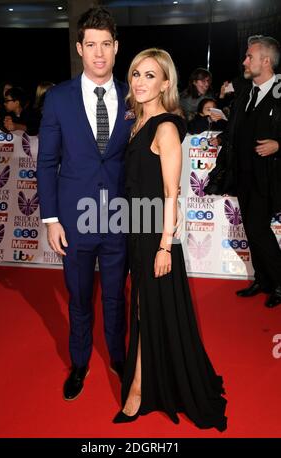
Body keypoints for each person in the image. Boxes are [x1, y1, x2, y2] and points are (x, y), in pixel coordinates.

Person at [113, 48, 227, 431]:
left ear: (166, 83)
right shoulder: (135, 123)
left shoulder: (165, 126)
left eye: (150, 76)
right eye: (136, 74)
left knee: (150, 309)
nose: (141, 82)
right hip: (136, 229)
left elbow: (170, 191)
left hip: (155, 237)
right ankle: (149, 383)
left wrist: (165, 245)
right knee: (146, 309)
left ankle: (139, 390)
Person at [37, 7, 134, 400]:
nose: (98, 53)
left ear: (116, 48)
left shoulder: (134, 94)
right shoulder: (59, 98)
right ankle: (79, 362)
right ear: (80, 48)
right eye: (90, 45)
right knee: (78, 297)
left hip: (119, 216)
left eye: (105, 45)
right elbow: (46, 162)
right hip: (73, 220)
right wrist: (51, 218)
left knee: (116, 295)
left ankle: (118, 357)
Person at [205, 35, 281, 308]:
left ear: (266, 61)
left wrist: (278, 144)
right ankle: (263, 280)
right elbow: (239, 127)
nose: (244, 61)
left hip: (268, 176)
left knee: (259, 230)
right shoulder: (247, 92)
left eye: (250, 57)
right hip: (243, 176)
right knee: (251, 229)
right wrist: (222, 139)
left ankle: (278, 282)